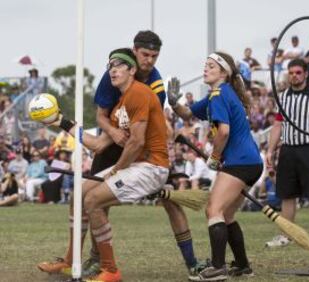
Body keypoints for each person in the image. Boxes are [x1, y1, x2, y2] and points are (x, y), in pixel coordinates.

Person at [38, 48, 169, 282]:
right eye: (110, 66)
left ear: (132, 70)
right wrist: (61, 121)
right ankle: (70, 261)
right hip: (137, 167)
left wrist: (116, 170)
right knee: (78, 195)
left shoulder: (139, 93)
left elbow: (137, 142)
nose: (113, 69)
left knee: (92, 200)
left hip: (152, 167)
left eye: (119, 65)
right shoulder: (120, 107)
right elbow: (97, 144)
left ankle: (110, 270)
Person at [83, 30, 205, 276]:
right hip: (112, 140)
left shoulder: (155, 84)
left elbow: (146, 129)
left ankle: (192, 263)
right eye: (145, 54)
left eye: (154, 56)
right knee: (92, 199)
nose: (149, 60)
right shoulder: (115, 72)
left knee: (170, 202)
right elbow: (101, 116)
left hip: (144, 150)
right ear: (134, 51)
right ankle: (95, 259)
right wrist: (114, 134)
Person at [167, 51, 263, 281]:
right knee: (226, 214)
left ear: (223, 72)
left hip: (239, 162)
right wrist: (174, 102)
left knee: (213, 210)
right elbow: (189, 113)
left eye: (211, 66)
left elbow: (224, 131)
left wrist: (215, 156)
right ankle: (242, 265)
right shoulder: (217, 95)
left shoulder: (219, 94)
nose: (205, 68)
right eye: (205, 65)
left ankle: (218, 268)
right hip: (250, 162)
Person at [265, 58, 309, 249]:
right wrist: (270, 150)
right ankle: (286, 236)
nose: (294, 76)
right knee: (287, 194)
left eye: (298, 72)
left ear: (305, 74)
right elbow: (278, 124)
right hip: (288, 149)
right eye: (291, 72)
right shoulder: (283, 97)